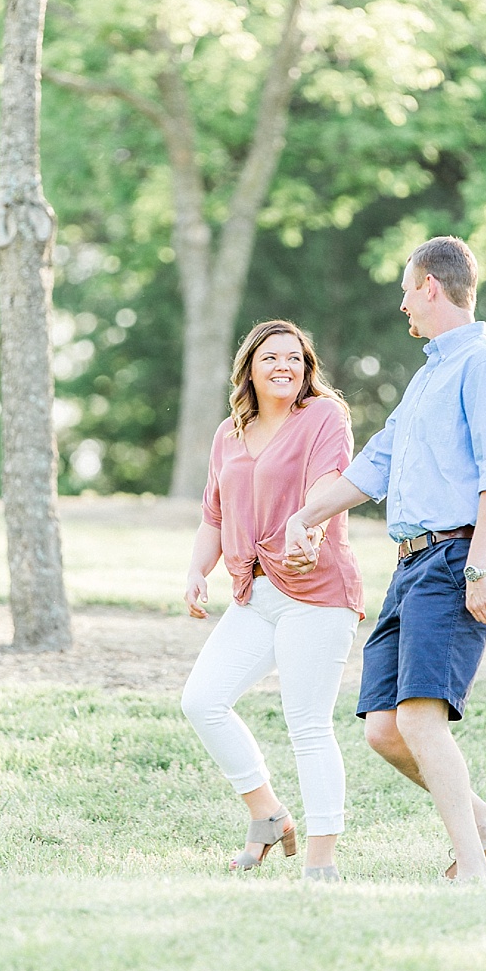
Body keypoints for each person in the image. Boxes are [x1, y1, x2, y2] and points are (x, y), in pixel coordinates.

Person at [285, 235, 486, 883]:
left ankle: (474, 875)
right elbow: (376, 465)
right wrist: (304, 516)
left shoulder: (484, 365)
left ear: (430, 285)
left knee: (421, 719)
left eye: (405, 290)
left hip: (456, 557)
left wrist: (479, 565)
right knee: (385, 730)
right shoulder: (428, 378)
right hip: (411, 566)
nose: (402, 305)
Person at [180, 320, 363, 881]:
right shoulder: (228, 433)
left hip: (317, 590)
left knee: (308, 725)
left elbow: (327, 483)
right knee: (202, 701)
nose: (283, 366)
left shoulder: (324, 417)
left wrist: (306, 530)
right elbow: (214, 512)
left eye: (294, 357)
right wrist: (197, 570)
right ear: (250, 370)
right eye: (270, 358)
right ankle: (267, 815)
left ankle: (321, 860)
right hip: (253, 593)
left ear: (307, 368)